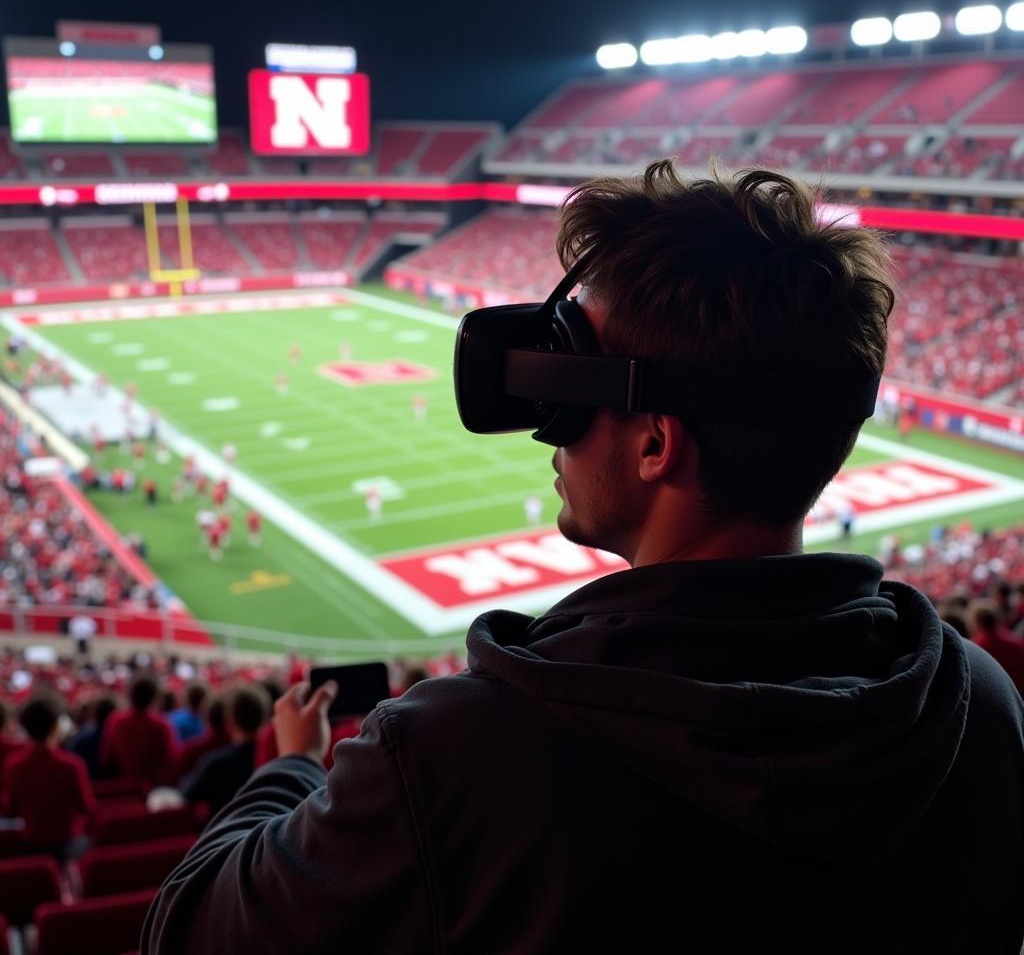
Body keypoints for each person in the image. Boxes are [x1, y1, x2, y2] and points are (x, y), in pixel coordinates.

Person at [143, 162, 1024, 953]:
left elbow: (186, 933)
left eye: (567, 381)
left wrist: (287, 769)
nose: (543, 427)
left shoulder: (455, 756)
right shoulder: (979, 704)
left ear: (654, 444)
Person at [5, 693, 95, 858]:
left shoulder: (14, 765)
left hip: (31, 843)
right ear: (55, 726)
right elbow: (87, 808)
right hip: (69, 843)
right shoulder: (72, 764)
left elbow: (12, 808)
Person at [181, 686, 268, 817]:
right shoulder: (276, 760)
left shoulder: (216, 763)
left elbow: (188, 793)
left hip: (223, 833)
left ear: (230, 720)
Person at [101, 673, 177, 786]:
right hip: (151, 787)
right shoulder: (161, 725)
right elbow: (170, 762)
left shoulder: (115, 721)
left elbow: (106, 759)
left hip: (123, 786)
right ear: (154, 697)